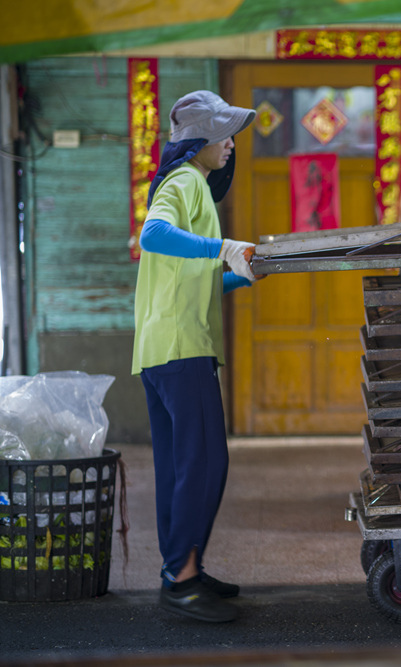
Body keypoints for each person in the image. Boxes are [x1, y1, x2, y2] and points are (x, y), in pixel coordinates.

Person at [132, 90, 261, 622]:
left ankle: (181, 569)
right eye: (224, 134)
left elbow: (191, 282)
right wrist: (221, 247)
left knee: (181, 467)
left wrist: (237, 276)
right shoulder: (184, 181)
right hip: (183, 350)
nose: (231, 143)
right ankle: (182, 582)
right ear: (200, 140)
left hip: (160, 350)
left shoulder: (197, 190)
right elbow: (153, 233)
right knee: (206, 464)